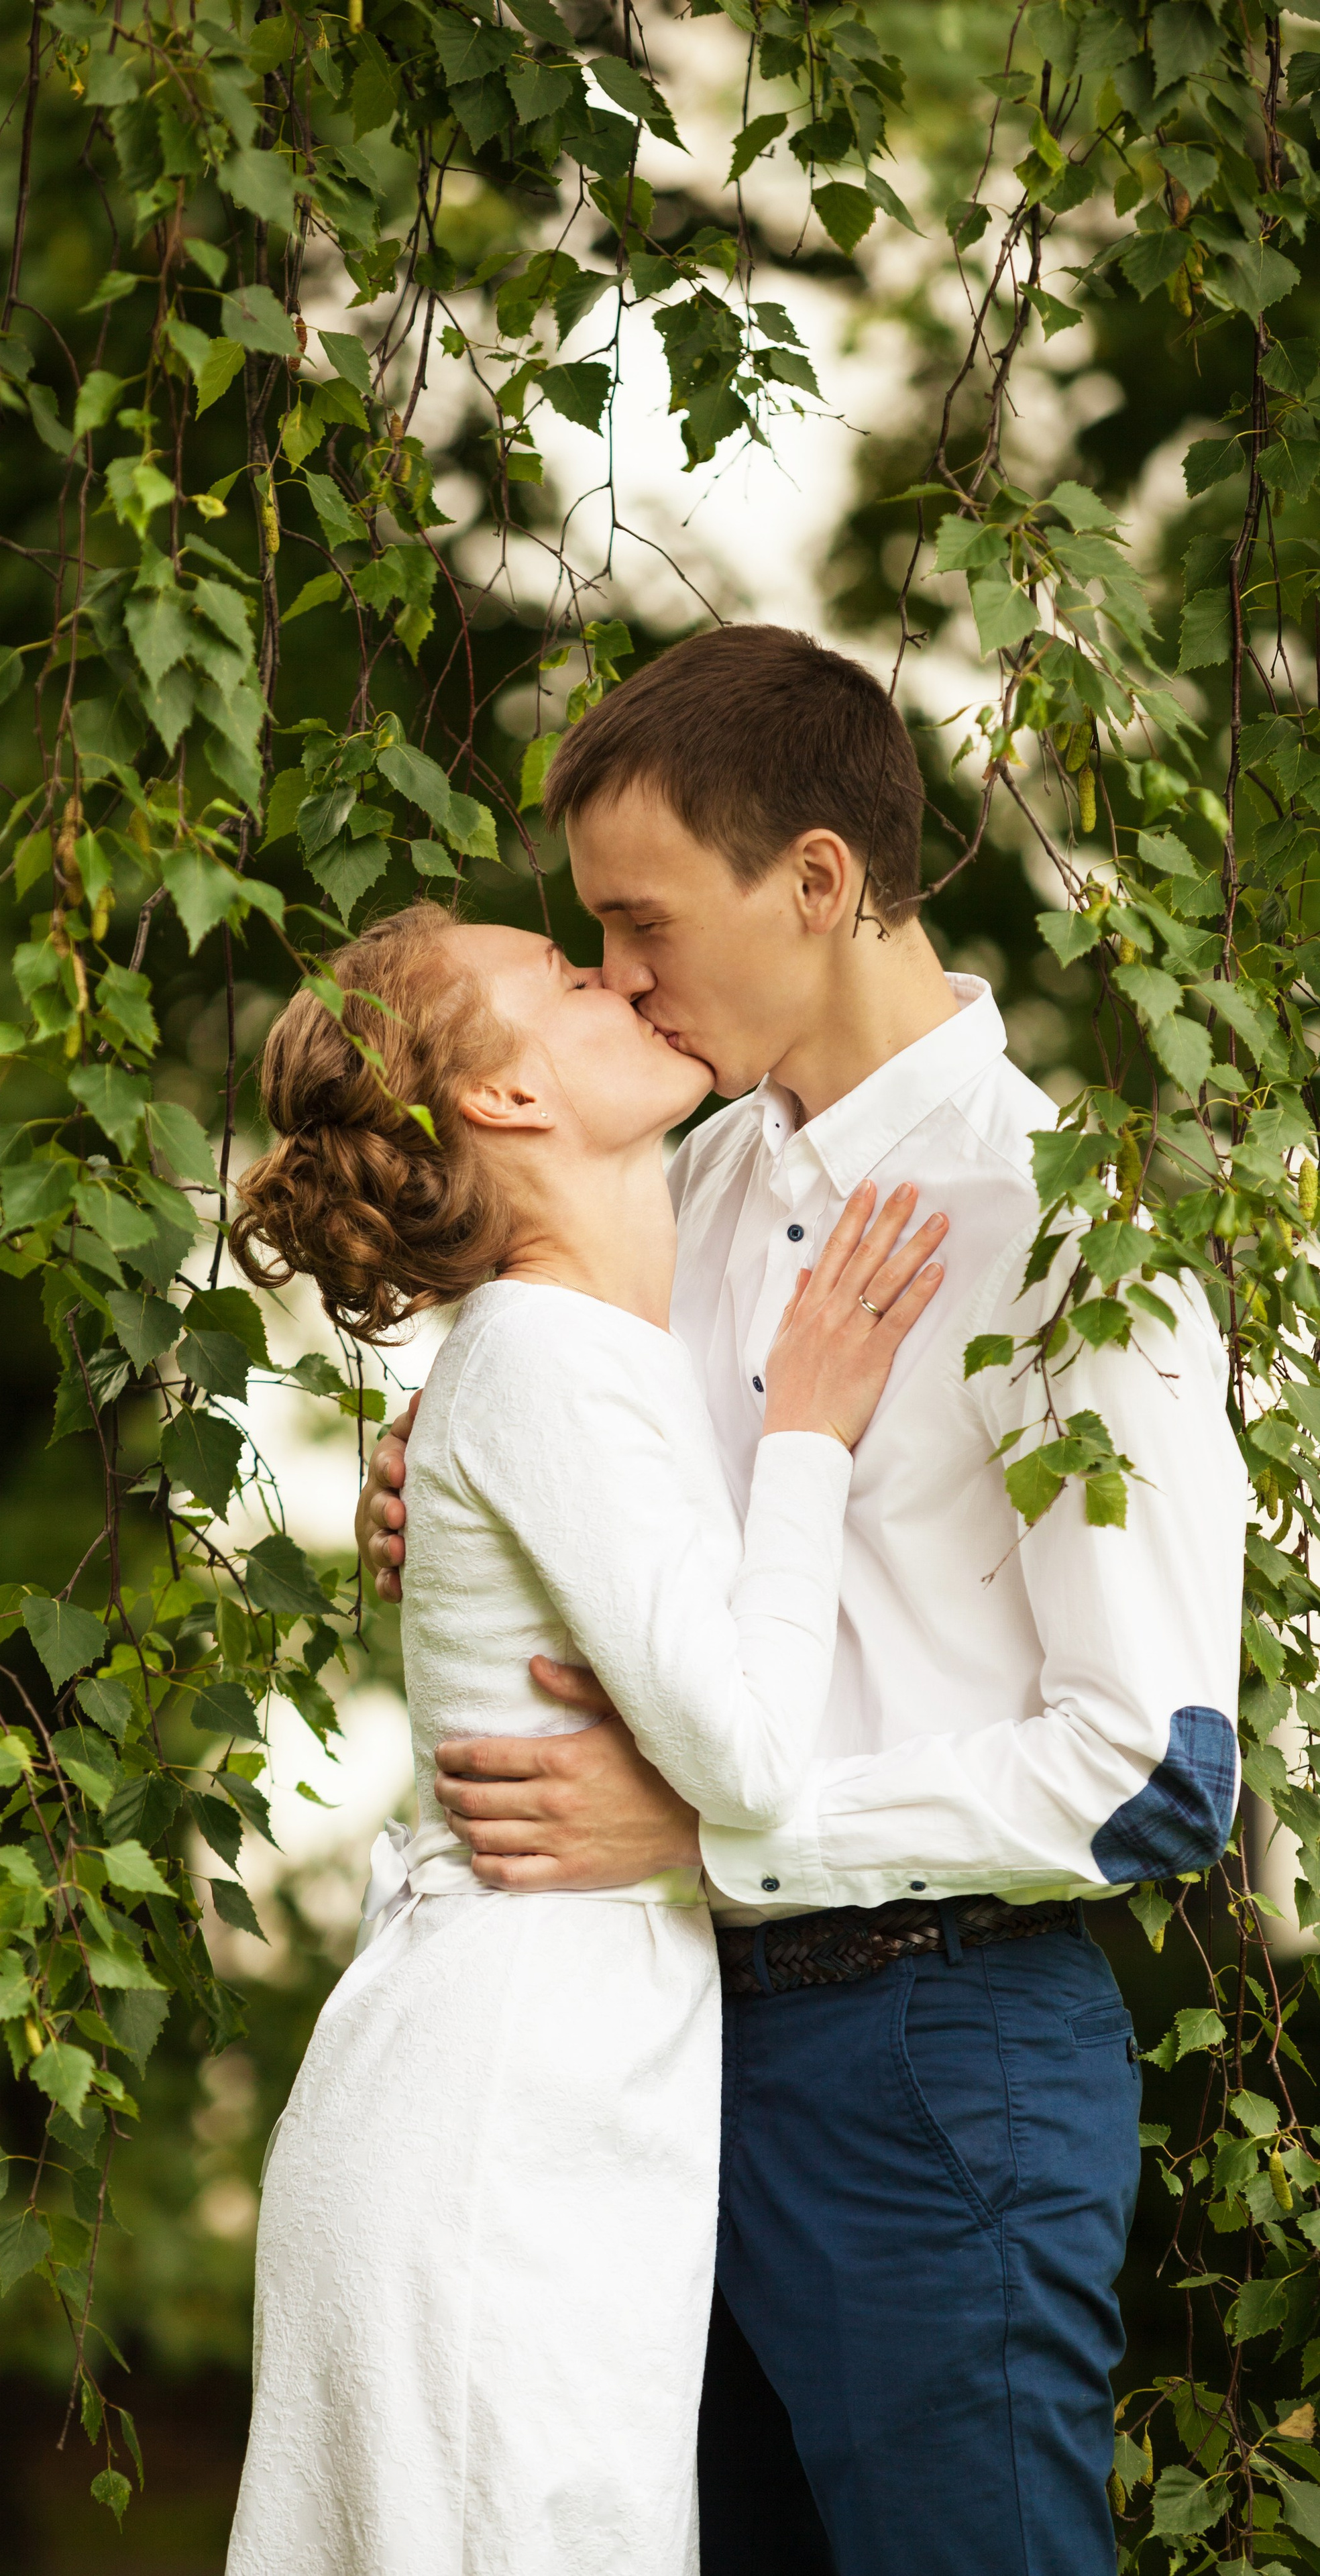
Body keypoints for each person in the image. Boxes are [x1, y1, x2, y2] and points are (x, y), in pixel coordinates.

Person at [357, 624, 1247, 2576]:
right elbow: (655, 1563)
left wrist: (725, 1837)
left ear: (821, 882)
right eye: (589, 936)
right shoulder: (675, 1195)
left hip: (935, 2073)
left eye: (640, 919)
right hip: (670, 2071)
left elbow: (1159, 1770)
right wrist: (454, 1489)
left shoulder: (1067, 1227)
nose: (613, 976)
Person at [222, 898, 948, 2576]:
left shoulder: (557, 1355)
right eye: (561, 974)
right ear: (502, 1099)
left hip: (538, 2110)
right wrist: (811, 1433)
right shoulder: (544, 1360)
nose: (617, 974)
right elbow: (753, 1763)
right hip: (494, 2140)